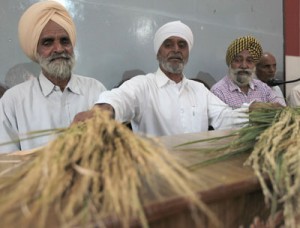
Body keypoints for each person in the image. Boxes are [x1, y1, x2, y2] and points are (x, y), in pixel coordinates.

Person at [73, 21, 255, 137]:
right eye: (168, 45)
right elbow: (119, 99)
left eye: (182, 45)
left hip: (197, 175)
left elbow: (225, 117)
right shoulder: (143, 84)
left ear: (187, 53)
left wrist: (255, 111)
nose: (176, 49)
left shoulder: (199, 90)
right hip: (155, 177)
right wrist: (101, 112)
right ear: (158, 52)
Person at [0, 1, 106, 153]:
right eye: (48, 42)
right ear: (35, 50)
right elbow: (7, 165)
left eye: (64, 41)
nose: (59, 49)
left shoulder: (95, 90)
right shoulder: (13, 102)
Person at [211, 36, 286, 109]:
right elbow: (220, 120)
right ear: (230, 63)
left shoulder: (263, 88)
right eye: (238, 60)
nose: (244, 66)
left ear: (254, 65)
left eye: (249, 61)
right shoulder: (218, 91)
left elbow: (283, 111)